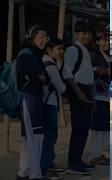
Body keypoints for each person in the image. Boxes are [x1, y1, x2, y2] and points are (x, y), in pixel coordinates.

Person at [16, 25, 49, 180]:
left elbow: (45, 79)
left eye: (45, 37)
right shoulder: (26, 56)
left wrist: (39, 78)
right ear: (32, 39)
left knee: (32, 136)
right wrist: (39, 78)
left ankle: (25, 172)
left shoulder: (36, 56)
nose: (44, 40)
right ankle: (32, 174)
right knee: (33, 136)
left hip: (34, 99)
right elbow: (31, 80)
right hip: (29, 99)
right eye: (40, 37)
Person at [62, 20, 95, 175]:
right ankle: (73, 163)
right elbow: (67, 74)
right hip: (79, 91)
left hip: (86, 90)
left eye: (89, 33)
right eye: (83, 33)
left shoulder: (85, 50)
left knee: (83, 129)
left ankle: (77, 159)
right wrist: (79, 93)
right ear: (76, 34)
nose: (87, 36)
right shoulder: (73, 50)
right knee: (79, 129)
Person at [41, 37, 66, 179]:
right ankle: (46, 167)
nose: (61, 52)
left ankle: (48, 163)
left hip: (45, 104)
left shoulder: (44, 62)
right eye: (59, 49)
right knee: (49, 136)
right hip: (49, 104)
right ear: (49, 50)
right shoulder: (50, 66)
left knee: (48, 136)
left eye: (62, 49)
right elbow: (61, 88)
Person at [87, 31, 110, 166]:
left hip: (105, 95)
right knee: (97, 127)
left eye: (107, 41)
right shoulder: (93, 56)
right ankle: (96, 154)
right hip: (97, 95)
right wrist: (99, 72)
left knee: (103, 126)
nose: (106, 43)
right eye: (103, 41)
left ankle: (100, 153)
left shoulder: (104, 56)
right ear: (97, 42)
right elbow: (92, 73)